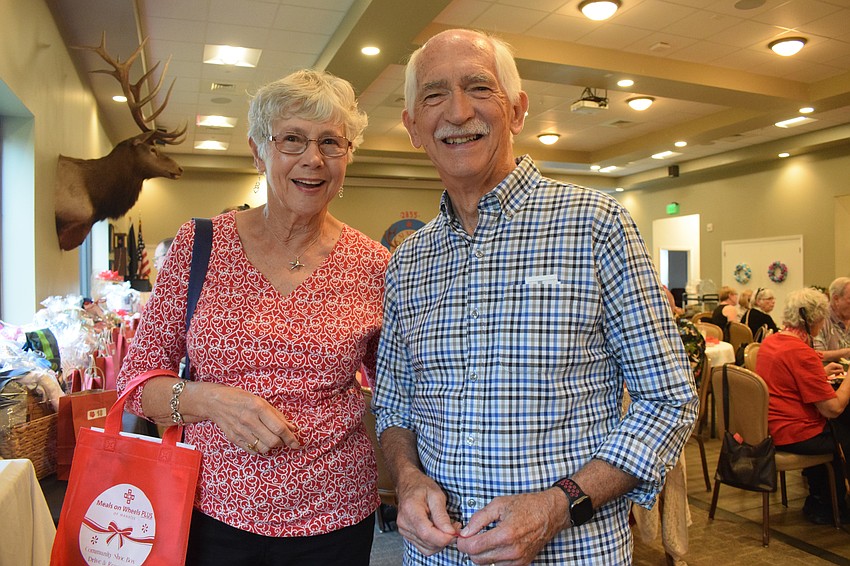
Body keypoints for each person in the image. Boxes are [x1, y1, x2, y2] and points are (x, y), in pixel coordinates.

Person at [372, 29, 698, 565]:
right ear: (411, 127)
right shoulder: (409, 261)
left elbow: (668, 399)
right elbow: (394, 402)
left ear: (517, 110)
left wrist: (558, 505)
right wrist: (407, 481)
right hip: (438, 556)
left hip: (571, 550)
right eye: (433, 95)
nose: (457, 112)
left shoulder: (596, 225)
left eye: (479, 88)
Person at [117, 69, 390, 565]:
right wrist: (211, 400)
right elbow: (136, 384)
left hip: (335, 516)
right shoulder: (199, 245)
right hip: (211, 510)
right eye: (292, 139)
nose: (313, 158)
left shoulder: (373, 264)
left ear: (348, 155)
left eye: (331, 142)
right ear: (258, 149)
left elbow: (396, 390)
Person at [756, 287, 850, 525]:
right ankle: (832, 505)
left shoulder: (772, 341)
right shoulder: (800, 352)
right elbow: (833, 408)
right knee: (844, 429)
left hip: (771, 426)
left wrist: (820, 372)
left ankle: (820, 499)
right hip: (795, 432)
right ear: (815, 319)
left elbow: (790, 379)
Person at [813, 278, 850, 363]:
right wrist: (846, 352)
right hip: (830, 374)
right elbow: (816, 355)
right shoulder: (820, 319)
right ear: (836, 299)